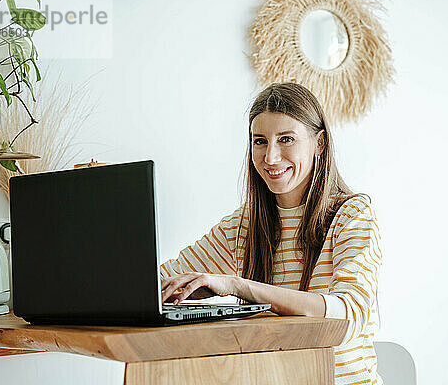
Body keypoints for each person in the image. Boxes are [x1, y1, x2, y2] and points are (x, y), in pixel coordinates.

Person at [160, 82, 383, 385]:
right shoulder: (242, 226)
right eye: (260, 141)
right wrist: (185, 293)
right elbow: (159, 282)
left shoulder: (351, 216)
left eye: (286, 139)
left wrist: (238, 287)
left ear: (320, 143)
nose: (271, 158)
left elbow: (347, 316)